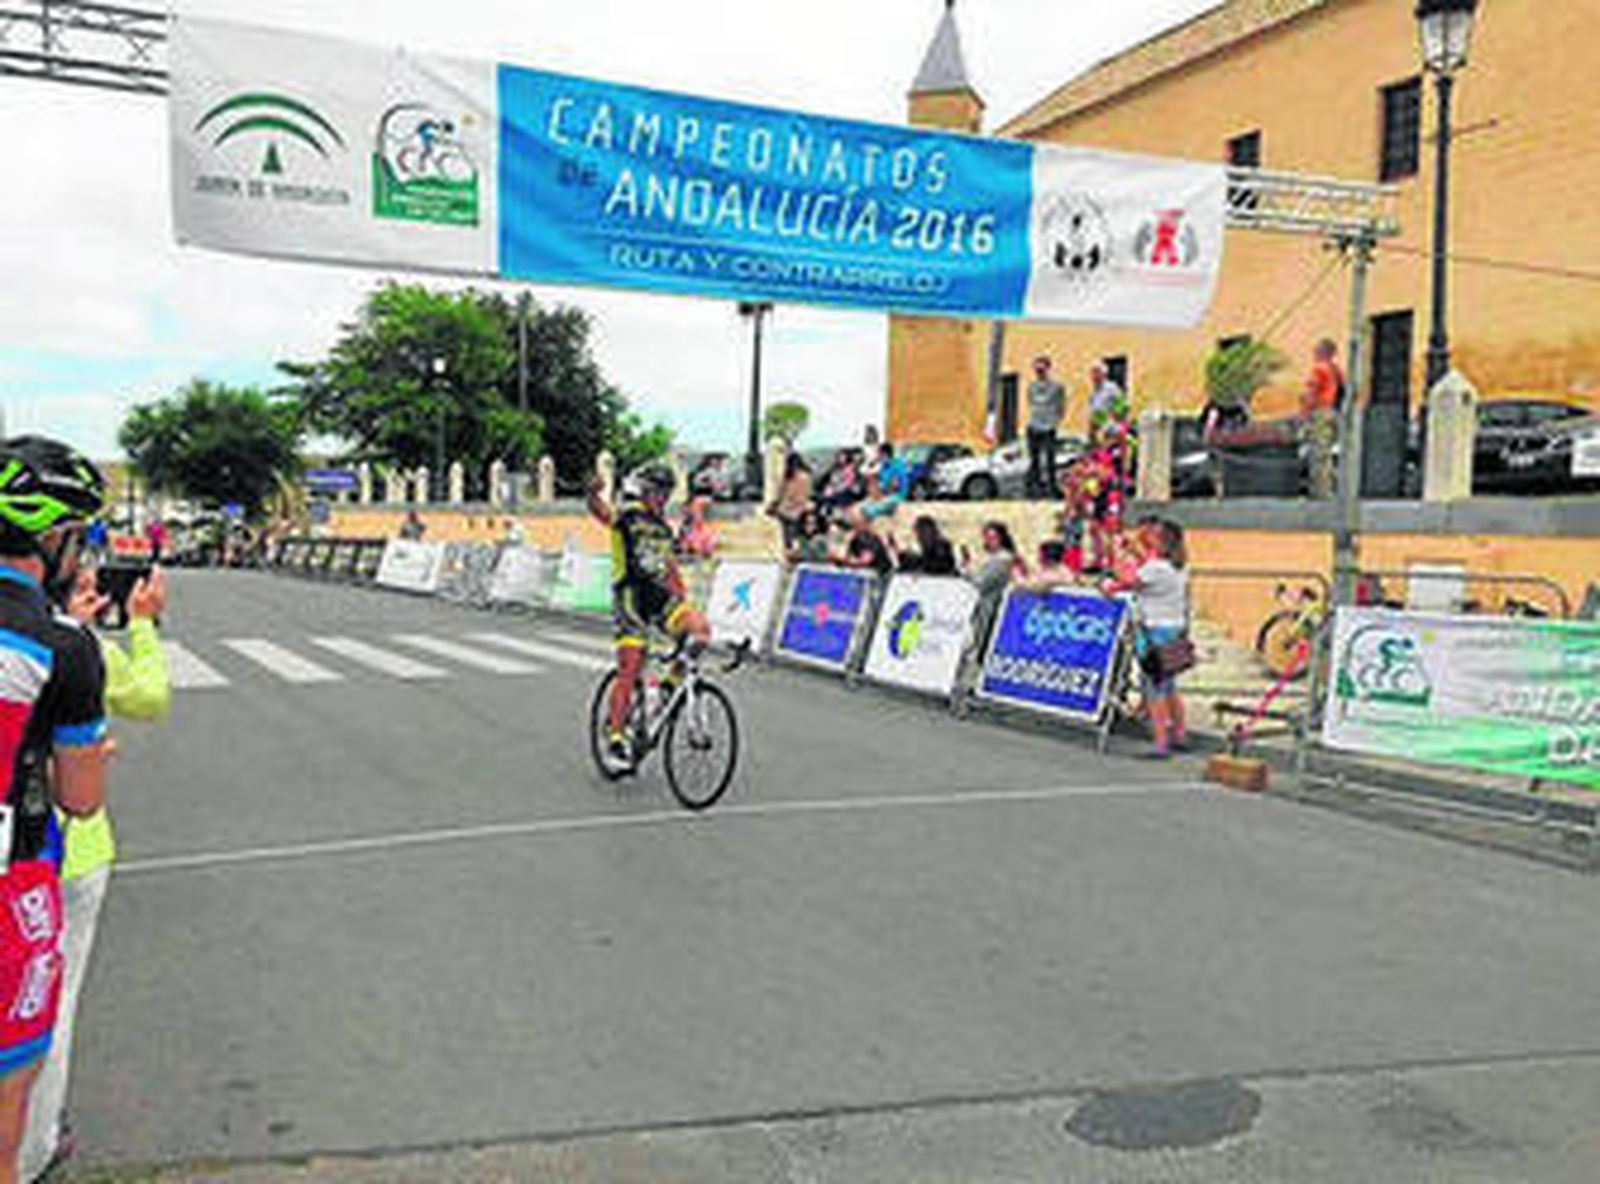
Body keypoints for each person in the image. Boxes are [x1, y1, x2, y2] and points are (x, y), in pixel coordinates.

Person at [20, 565, 168, 1182]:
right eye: (86, 586)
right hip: (65, 852)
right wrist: (141, 624)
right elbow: (150, 697)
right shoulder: (80, 650)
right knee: (45, 1013)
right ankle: (34, 1148)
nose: (96, 595)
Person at [0, 437, 110, 1184]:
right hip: (15, 880)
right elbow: (81, 797)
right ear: (51, 535)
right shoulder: (65, 645)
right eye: (83, 535)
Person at [587, 465, 711, 774]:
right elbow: (601, 512)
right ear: (645, 491)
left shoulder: (662, 528)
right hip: (630, 596)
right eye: (658, 491)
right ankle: (615, 736)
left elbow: (669, 570)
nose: (662, 497)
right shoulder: (628, 515)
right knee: (630, 666)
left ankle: (668, 686)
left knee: (700, 632)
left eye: (666, 493)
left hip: (658, 597)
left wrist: (682, 604)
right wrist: (592, 493)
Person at [1103, 517, 1190, 758]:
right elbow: (1143, 571)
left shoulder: (1156, 569)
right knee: (1169, 687)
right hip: (1173, 629)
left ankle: (1161, 742)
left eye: (1154, 536)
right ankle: (1180, 734)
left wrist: (1118, 551)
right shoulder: (1177, 566)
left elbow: (1126, 578)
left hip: (1155, 631)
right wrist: (1135, 551)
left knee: (1154, 689)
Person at [1302, 338, 1345, 500]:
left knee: (1318, 453)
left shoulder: (1319, 369)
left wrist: (1304, 413)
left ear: (1322, 352)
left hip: (1320, 412)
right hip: (1332, 412)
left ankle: (1320, 492)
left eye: (1316, 350)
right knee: (1326, 453)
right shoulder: (1337, 370)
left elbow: (1311, 393)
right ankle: (1327, 488)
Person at [1025, 355, 1066, 499]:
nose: (1039, 371)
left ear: (1048, 368)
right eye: (1036, 369)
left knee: (1050, 460)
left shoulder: (1057, 386)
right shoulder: (1031, 387)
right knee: (1034, 461)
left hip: (1048, 427)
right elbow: (1031, 403)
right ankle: (1034, 491)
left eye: (1041, 368)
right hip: (1033, 426)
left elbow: (1061, 406)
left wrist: (1055, 421)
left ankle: (1052, 490)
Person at [964, 520, 1026, 601]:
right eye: (986, 538)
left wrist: (967, 570)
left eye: (992, 538)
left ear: (1001, 539)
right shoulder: (1003, 557)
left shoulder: (1002, 559)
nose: (988, 541)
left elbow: (981, 582)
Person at [767, 453, 813, 550]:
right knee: (796, 533)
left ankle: (790, 551)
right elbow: (807, 493)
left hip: (787, 508)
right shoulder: (806, 475)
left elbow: (780, 493)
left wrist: (775, 504)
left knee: (787, 535)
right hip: (799, 507)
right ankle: (797, 549)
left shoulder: (788, 477)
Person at [891, 515, 957, 575]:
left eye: (923, 532)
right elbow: (915, 560)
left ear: (933, 532)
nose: (919, 537)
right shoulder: (925, 547)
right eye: (918, 533)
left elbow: (937, 568)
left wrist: (918, 568)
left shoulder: (942, 547)